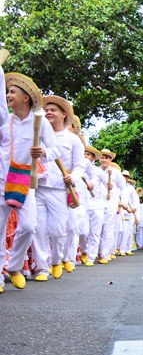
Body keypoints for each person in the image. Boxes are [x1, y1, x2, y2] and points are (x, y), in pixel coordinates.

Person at [0, 74, 61, 291]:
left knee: (28, 227)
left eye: (13, 92)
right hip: (1, 181)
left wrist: (43, 152)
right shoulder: (4, 120)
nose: (8, 95)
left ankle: (14, 266)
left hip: (25, 182)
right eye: (7, 91)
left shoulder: (40, 122)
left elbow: (57, 149)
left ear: (26, 97)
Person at [32, 95, 85, 279]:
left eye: (53, 110)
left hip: (59, 190)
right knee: (37, 229)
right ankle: (42, 268)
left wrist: (73, 176)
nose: (48, 113)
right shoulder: (36, 135)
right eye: (46, 110)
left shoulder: (72, 139)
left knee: (57, 230)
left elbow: (80, 165)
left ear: (64, 114)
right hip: (37, 188)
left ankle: (56, 261)